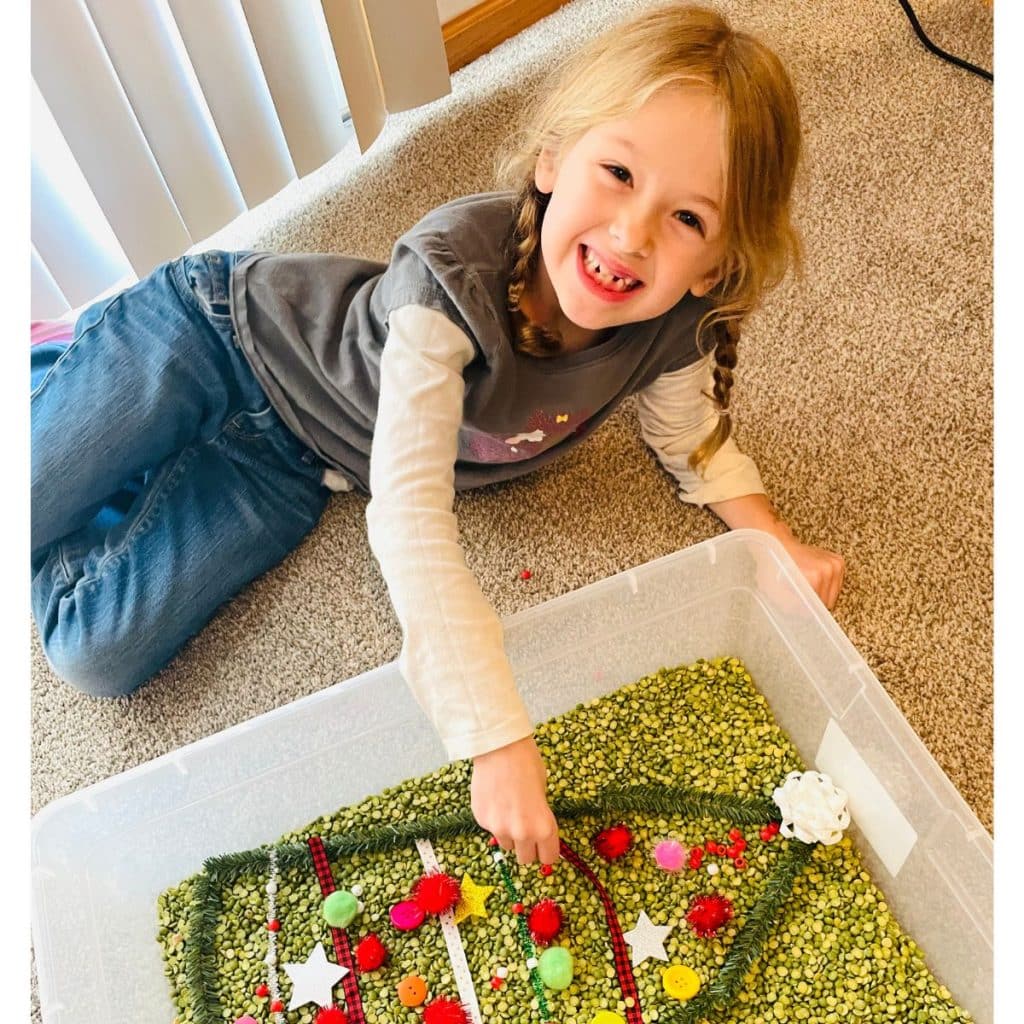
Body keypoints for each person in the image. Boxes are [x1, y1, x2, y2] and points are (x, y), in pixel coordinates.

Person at [31, 3, 843, 868]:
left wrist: (771, 537)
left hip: (296, 458)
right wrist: (493, 737)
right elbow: (413, 512)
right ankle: (58, 367)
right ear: (552, 159)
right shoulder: (448, 279)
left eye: (689, 220)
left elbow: (690, 436)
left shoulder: (675, 324)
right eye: (616, 173)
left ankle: (113, 440)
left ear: (716, 264)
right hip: (215, 332)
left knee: (94, 652)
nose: (632, 233)